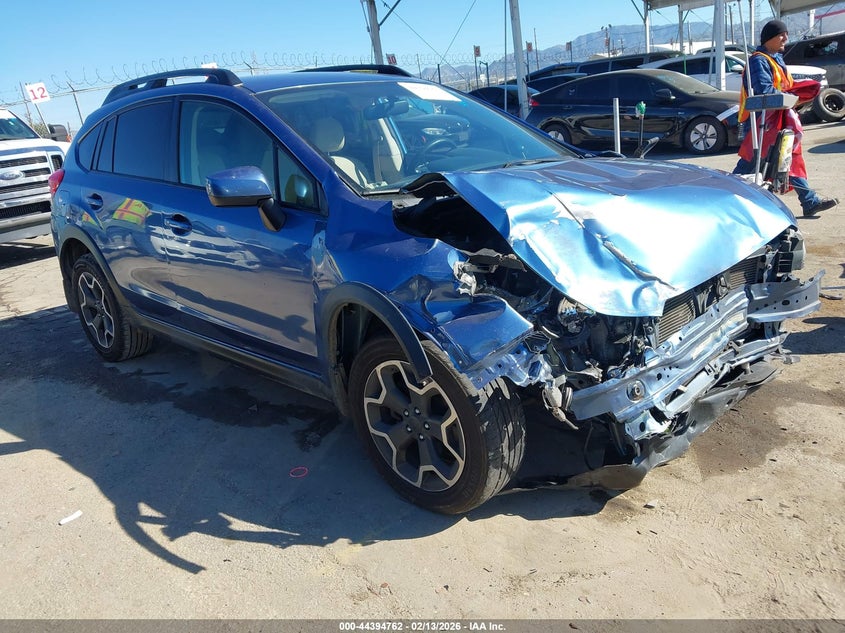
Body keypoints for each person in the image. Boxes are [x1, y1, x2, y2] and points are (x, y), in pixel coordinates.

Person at [732, 19, 838, 217]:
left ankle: (809, 201)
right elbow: (764, 91)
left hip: (777, 118)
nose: (785, 38)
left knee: (788, 158)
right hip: (760, 122)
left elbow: (783, 87)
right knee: (752, 163)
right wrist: (793, 94)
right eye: (782, 34)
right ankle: (726, 196)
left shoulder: (776, 59)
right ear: (769, 38)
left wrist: (802, 91)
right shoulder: (758, 60)